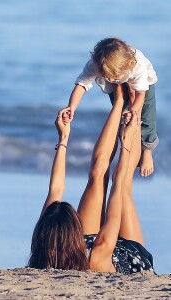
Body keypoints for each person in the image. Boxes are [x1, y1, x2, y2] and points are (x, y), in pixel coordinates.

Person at [28, 85, 155, 274]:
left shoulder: (42, 245)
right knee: (124, 184)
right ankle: (137, 104)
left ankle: (119, 101)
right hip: (129, 258)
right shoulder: (98, 254)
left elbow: (55, 190)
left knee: (97, 173)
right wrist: (126, 144)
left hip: (79, 249)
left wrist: (63, 136)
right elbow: (117, 186)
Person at [67, 37, 158, 177]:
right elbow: (81, 85)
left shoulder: (137, 63)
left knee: (146, 116)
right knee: (121, 116)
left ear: (130, 63)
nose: (111, 80)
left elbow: (140, 94)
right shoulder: (96, 63)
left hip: (144, 83)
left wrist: (133, 110)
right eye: (107, 77)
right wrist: (71, 107)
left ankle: (147, 151)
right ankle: (126, 149)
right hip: (118, 78)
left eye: (114, 78)